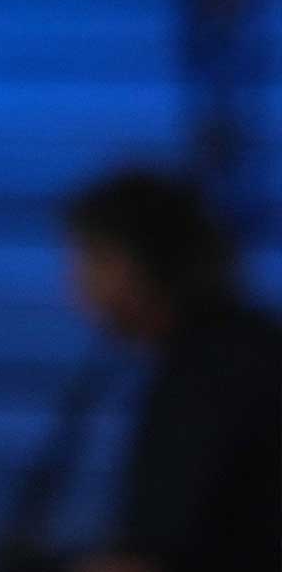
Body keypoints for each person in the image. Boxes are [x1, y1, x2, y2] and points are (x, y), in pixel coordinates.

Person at [58, 169, 280, 572]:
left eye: (91, 260)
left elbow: (150, 558)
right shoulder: (241, 350)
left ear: (133, 264)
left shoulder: (208, 379)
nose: (76, 285)